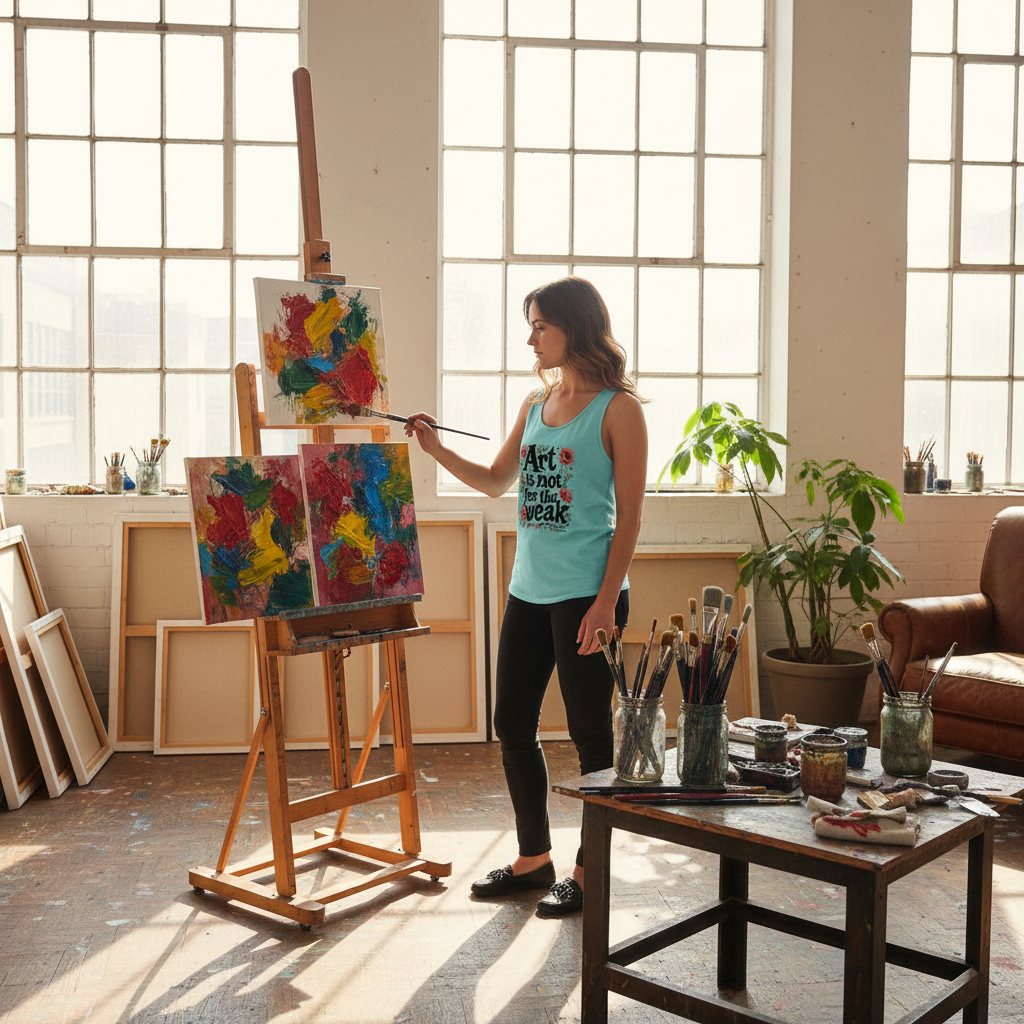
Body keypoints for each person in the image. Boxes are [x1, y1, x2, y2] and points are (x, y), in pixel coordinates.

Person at [406, 276, 647, 915]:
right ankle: (534, 858)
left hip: (586, 596)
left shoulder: (619, 409)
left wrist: (603, 604)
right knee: (511, 722)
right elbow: (493, 482)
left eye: (541, 325)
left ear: (575, 326)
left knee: (591, 734)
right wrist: (436, 448)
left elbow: (629, 519)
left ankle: (591, 868)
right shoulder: (535, 404)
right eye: (530, 325)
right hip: (529, 591)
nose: (532, 337)